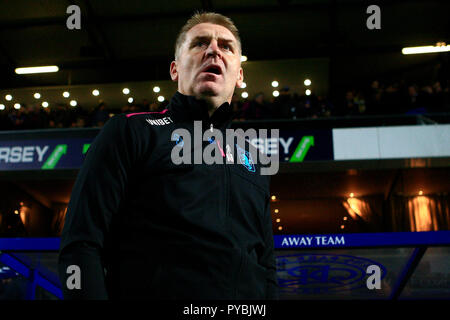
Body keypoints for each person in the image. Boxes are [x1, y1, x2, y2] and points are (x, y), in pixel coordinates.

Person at [58, 11, 278, 300]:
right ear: (175, 70)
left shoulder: (254, 160)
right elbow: (82, 245)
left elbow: (266, 268)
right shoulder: (130, 132)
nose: (213, 49)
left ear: (239, 75)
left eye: (226, 46)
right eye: (199, 43)